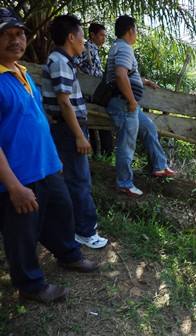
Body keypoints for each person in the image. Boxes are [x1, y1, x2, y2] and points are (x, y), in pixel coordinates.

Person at [0, 7, 100, 303]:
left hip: (46, 166)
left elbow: (37, 120)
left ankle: (68, 254)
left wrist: (54, 161)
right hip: (19, 176)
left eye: (19, 34)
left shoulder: (22, 73)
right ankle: (30, 286)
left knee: (61, 211)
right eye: (5, 34)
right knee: (23, 233)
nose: (15, 40)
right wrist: (15, 187)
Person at [42, 15, 108, 249]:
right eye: (81, 36)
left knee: (76, 179)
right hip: (69, 127)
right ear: (71, 37)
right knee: (79, 181)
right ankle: (84, 231)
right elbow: (64, 102)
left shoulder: (65, 61)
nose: (84, 41)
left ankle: (74, 227)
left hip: (71, 126)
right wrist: (79, 135)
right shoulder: (59, 61)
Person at [105, 15, 174, 198]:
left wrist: (145, 81)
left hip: (126, 104)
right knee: (126, 145)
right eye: (135, 30)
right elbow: (120, 75)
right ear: (130, 31)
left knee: (149, 127)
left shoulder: (118, 47)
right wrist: (132, 101)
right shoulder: (125, 49)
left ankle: (159, 166)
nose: (136, 34)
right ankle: (124, 184)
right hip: (125, 104)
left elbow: (128, 74)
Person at [74, 23, 113, 157]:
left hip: (94, 94)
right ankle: (102, 155)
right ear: (92, 35)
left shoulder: (94, 49)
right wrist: (83, 81)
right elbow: (74, 63)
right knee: (94, 124)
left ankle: (100, 155)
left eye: (105, 36)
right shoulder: (86, 47)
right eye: (101, 35)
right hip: (88, 94)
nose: (104, 38)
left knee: (95, 125)